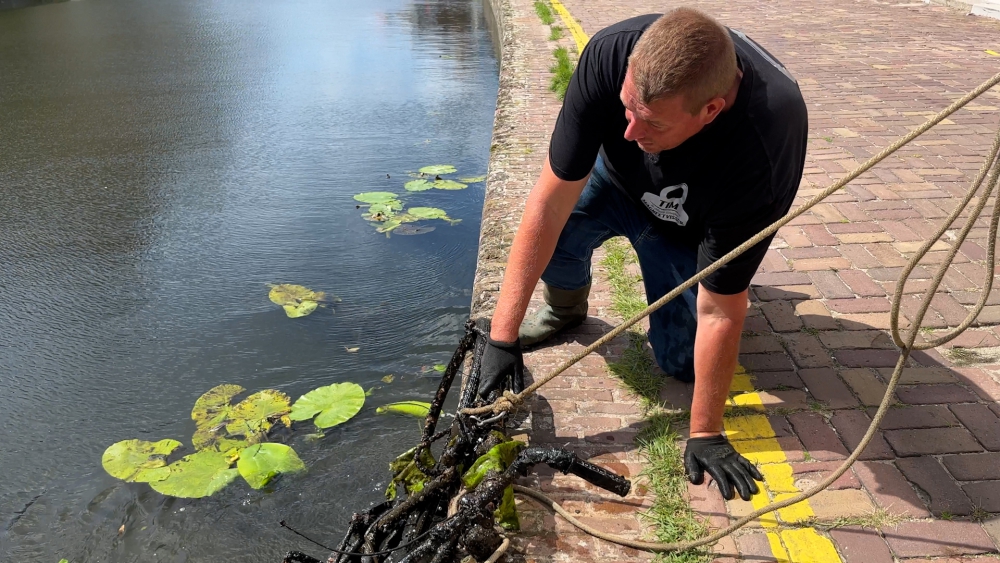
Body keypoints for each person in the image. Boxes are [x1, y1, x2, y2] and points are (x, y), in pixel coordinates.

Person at [475, 8, 808, 501]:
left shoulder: (763, 147)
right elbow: (547, 202)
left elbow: (721, 309)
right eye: (625, 108)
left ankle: (702, 273)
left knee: (681, 364)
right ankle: (566, 308)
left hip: (687, 223)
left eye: (648, 121)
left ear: (711, 110)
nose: (628, 131)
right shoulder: (610, 54)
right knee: (560, 232)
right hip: (614, 183)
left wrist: (705, 431)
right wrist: (502, 340)